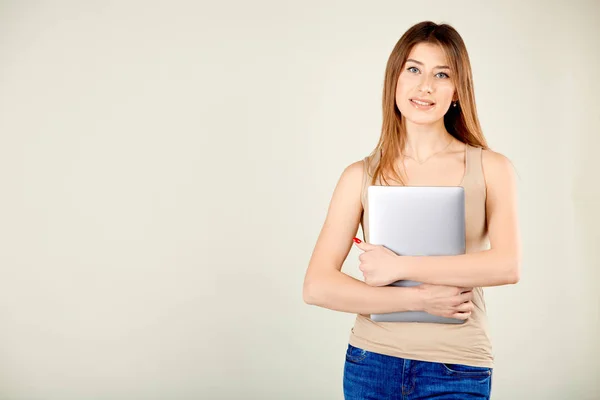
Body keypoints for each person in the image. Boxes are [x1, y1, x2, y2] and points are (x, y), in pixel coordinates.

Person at [302, 21, 521, 399]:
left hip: (457, 366)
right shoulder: (360, 175)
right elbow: (317, 286)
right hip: (371, 363)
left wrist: (401, 266)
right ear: (395, 81)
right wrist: (417, 299)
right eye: (414, 69)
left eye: (442, 74)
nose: (426, 86)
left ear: (457, 91)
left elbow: (506, 265)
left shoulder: (491, 167)